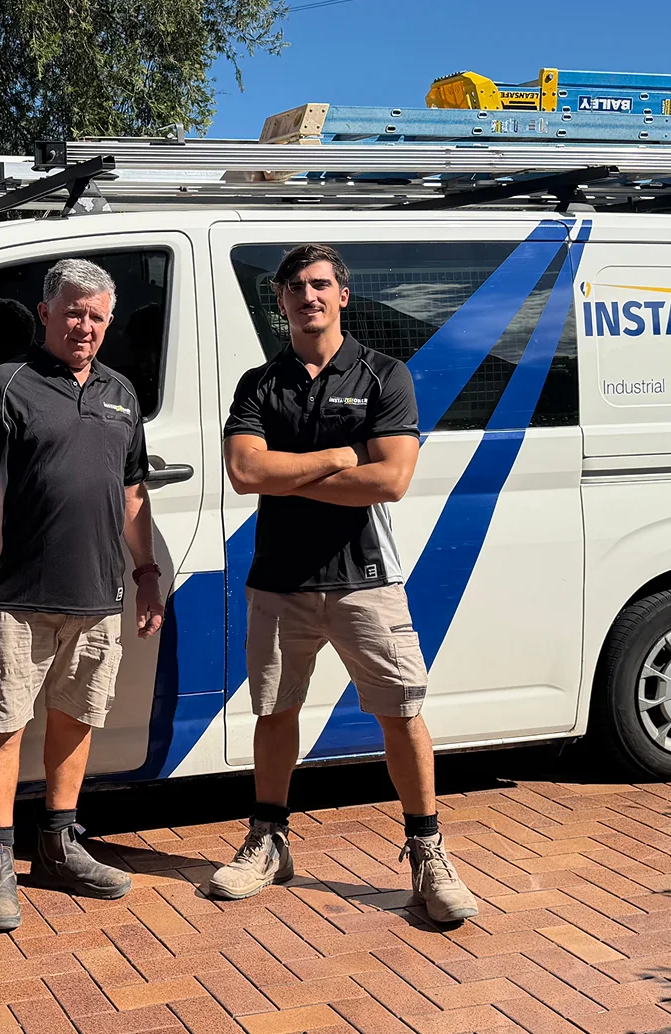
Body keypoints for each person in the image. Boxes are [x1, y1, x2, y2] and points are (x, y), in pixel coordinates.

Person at [212, 243, 479, 923]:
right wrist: (337, 455)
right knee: (274, 715)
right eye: (295, 287)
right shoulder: (257, 385)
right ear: (280, 302)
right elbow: (246, 474)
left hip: (367, 581)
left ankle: (428, 852)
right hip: (279, 580)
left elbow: (391, 479)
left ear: (342, 295)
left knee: (401, 714)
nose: (308, 296)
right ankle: (268, 842)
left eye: (320, 284)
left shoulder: (386, 374)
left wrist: (290, 471)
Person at [0, 258, 167, 932]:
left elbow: (133, 494)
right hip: (15, 593)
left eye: (97, 315)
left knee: (77, 721)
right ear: (45, 313)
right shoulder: (7, 384)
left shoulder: (122, 394)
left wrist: (146, 571)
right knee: (3, 725)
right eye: (74, 311)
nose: (85, 326)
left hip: (99, 596)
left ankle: (59, 845)